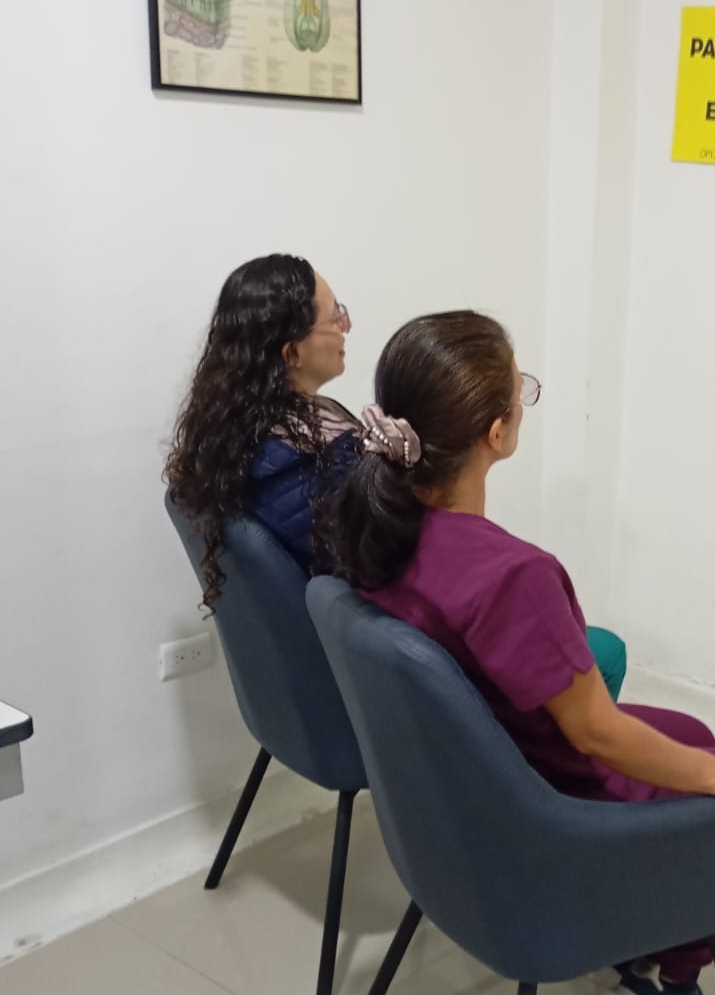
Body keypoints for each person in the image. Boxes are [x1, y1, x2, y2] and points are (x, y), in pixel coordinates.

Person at [325, 311, 715, 995]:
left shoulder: (371, 533)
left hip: (455, 792)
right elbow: (596, 733)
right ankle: (666, 986)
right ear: (496, 432)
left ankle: (639, 931)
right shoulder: (511, 576)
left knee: (692, 735)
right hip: (543, 801)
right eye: (521, 391)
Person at [165, 258, 627, 695]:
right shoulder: (307, 468)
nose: (346, 325)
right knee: (604, 652)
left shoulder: (236, 444)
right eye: (334, 317)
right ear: (292, 352)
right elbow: (394, 572)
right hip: (378, 667)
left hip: (318, 664)